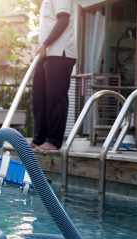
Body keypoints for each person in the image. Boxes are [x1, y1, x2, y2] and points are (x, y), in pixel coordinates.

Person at [31, 0, 77, 151]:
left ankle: (53, 140)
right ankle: (40, 138)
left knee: (55, 97)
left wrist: (45, 44)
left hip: (60, 53)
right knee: (39, 96)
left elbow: (63, 20)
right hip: (48, 54)